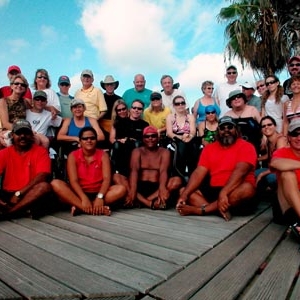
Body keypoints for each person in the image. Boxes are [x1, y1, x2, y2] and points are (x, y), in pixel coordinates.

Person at [176, 116, 257, 221]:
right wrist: (184, 195)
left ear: (236, 130)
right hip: (215, 190)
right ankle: (218, 208)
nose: (226, 130)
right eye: (222, 128)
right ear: (218, 131)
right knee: (184, 190)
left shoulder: (247, 146)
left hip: (235, 190)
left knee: (247, 189)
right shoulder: (209, 148)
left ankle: (202, 210)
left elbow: (240, 172)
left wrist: (224, 192)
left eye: (230, 127)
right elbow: (199, 172)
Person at [51, 127, 126, 216]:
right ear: (80, 141)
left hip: (99, 192)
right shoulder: (73, 155)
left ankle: (81, 207)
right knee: (55, 184)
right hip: (78, 193)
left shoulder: (103, 155)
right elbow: (73, 181)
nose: (89, 140)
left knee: (121, 189)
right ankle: (93, 208)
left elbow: (107, 179)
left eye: (92, 138)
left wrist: (100, 196)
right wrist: (83, 197)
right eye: (85, 138)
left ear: (96, 140)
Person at [0, 119, 52, 218]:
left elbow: (42, 176)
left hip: (29, 193)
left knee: (44, 187)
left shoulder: (40, 152)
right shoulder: (4, 153)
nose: (22, 136)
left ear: (32, 135)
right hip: (8, 194)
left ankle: (10, 213)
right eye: (19, 133)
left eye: (26, 133)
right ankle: (22, 210)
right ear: (12, 135)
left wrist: (19, 194)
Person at [127, 126, 182, 209]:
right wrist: (133, 190)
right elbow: (134, 171)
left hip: (156, 187)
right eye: (147, 136)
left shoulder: (164, 152)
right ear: (143, 138)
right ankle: (149, 203)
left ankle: (142, 201)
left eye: (153, 136)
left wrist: (162, 188)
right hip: (140, 187)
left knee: (177, 180)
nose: (150, 139)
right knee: (118, 177)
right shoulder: (137, 151)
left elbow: (164, 171)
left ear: (158, 138)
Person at [110, 100, 149, 203]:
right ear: (130, 109)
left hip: (137, 159)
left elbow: (147, 142)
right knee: (117, 176)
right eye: (134, 108)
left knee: (136, 146)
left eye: (139, 108)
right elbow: (113, 140)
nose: (136, 110)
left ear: (142, 111)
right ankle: (131, 196)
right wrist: (121, 140)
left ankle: (131, 197)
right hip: (122, 157)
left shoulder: (145, 125)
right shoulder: (121, 122)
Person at [270, 118, 300, 237]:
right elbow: (275, 163)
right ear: (288, 137)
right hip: (286, 205)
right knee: (287, 173)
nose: (298, 138)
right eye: (294, 134)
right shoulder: (282, 152)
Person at [166, 95, 198, 178]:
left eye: (182, 103)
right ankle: (179, 172)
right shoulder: (170, 117)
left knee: (192, 145)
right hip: (175, 138)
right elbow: (169, 133)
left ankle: (192, 172)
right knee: (181, 146)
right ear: (174, 106)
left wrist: (189, 137)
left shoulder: (190, 117)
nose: (180, 105)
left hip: (188, 137)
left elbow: (193, 131)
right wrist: (181, 138)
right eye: (177, 104)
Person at [255, 116, 287, 195]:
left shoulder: (281, 140)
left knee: (270, 178)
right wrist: (255, 159)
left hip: (282, 170)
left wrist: (262, 174)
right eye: (263, 126)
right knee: (253, 173)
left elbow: (279, 164)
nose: (266, 127)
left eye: (269, 124)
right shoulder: (268, 142)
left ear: (275, 126)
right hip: (272, 169)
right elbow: (268, 156)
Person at [224, 90, 261, 154]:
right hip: (234, 148)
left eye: (238, 97)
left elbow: (262, 125)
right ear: (230, 103)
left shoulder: (253, 110)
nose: (236, 99)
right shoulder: (227, 115)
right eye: (233, 98)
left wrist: (264, 138)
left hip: (254, 145)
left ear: (244, 99)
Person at [0, 74, 31, 147]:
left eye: (22, 85)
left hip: (24, 130)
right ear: (11, 86)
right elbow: (5, 123)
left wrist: (51, 108)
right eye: (16, 83)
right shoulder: (3, 101)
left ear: (25, 88)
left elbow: (36, 108)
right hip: (9, 131)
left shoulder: (25, 102)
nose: (19, 86)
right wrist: (20, 131)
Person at [99, 75, 122, 148]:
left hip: (116, 125)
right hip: (101, 125)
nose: (109, 86)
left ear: (114, 85)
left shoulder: (119, 99)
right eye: (107, 84)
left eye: (111, 84)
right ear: (104, 86)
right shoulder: (100, 97)